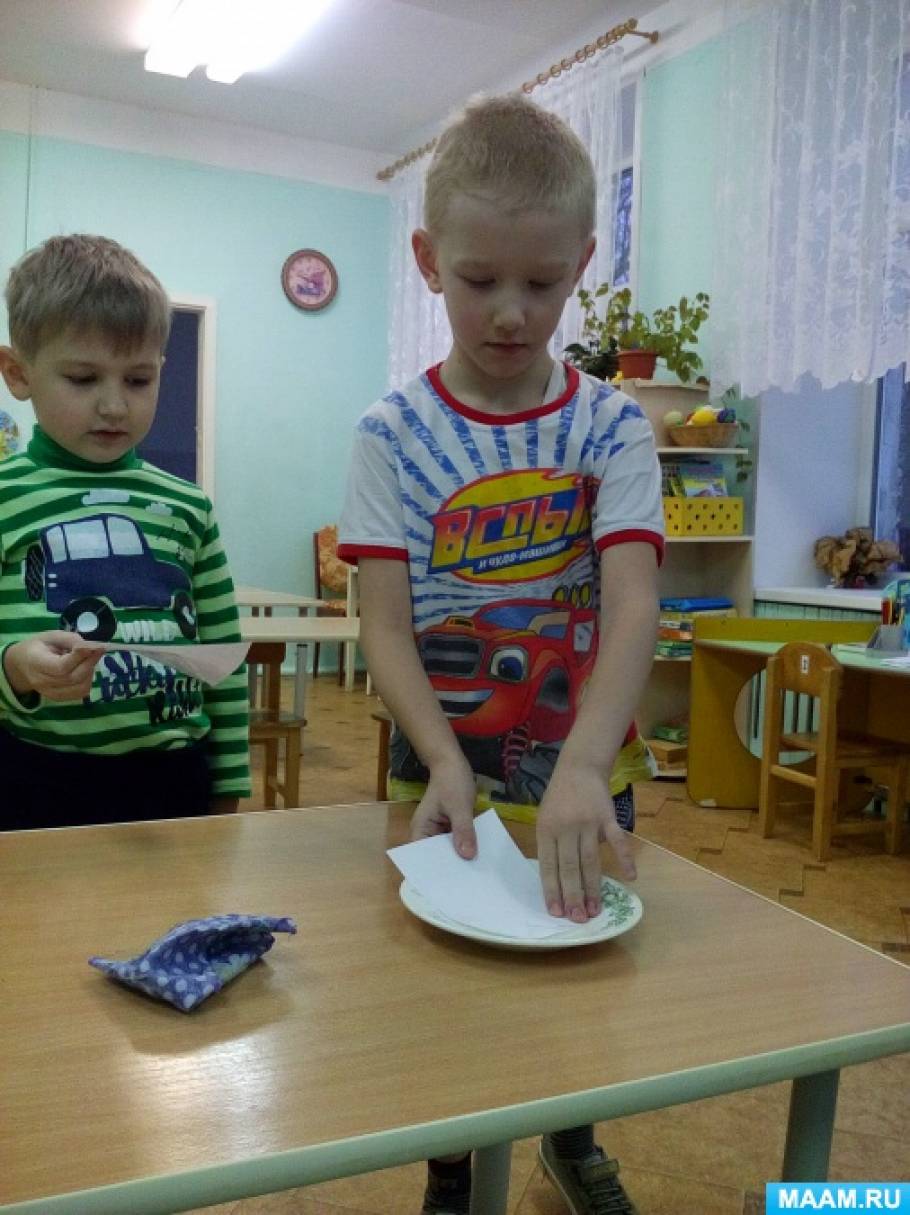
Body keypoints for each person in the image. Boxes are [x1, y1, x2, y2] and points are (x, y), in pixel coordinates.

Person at [339, 95, 663, 1215]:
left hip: (583, 766)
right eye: (480, 280)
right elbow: (385, 623)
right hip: (440, 763)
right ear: (429, 261)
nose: (513, 313)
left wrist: (585, 766)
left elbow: (633, 605)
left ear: (583, 264)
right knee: (448, 978)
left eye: (543, 282)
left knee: (576, 960)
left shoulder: (613, 426)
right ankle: (451, 1161)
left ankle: (572, 1139)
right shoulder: (391, 435)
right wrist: (441, 756)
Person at [0, 234, 250, 828]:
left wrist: (230, 783)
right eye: (83, 378)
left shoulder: (188, 505)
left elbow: (222, 658)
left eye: (138, 380)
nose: (114, 405)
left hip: (174, 777)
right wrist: (13, 668)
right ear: (18, 373)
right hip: (35, 778)